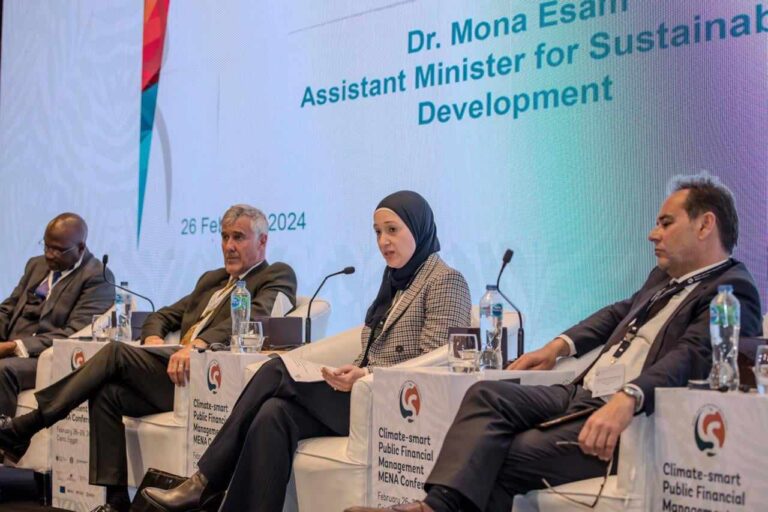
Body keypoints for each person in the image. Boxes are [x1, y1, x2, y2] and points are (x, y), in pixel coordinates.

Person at [347, 173, 763, 512]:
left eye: (666, 223)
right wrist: (557, 347)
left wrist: (630, 396)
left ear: (705, 225)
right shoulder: (662, 279)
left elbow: (693, 355)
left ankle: (432, 509)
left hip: (628, 415)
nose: (653, 234)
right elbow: (616, 315)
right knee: (487, 394)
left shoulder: (733, 290)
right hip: (582, 393)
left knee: (502, 453)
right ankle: (433, 508)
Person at [142, 190, 472, 512]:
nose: (383, 241)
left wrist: (367, 373)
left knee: (275, 370)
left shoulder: (445, 280)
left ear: (418, 227)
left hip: (392, 403)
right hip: (360, 389)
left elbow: (433, 364)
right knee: (273, 414)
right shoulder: (396, 281)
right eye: (377, 232)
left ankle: (204, 481)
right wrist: (354, 370)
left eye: (392, 230)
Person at [0, 204, 297, 512]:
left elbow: (258, 316)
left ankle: (28, 425)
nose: (229, 246)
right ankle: (116, 502)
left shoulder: (276, 275)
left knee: (114, 352)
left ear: (262, 241)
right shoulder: (212, 280)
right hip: (173, 370)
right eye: (224, 237)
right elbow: (162, 315)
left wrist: (199, 344)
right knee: (106, 392)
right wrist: (153, 338)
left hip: (210, 373)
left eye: (239, 237)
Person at [0, 213, 113, 418]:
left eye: (58, 250)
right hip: (9, 345)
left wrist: (14, 346)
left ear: (80, 247)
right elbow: (8, 308)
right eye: (46, 247)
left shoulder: (97, 277)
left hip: (43, 357)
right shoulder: (36, 265)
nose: (49, 255)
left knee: (2, 369)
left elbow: (74, 333)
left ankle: (5, 436)